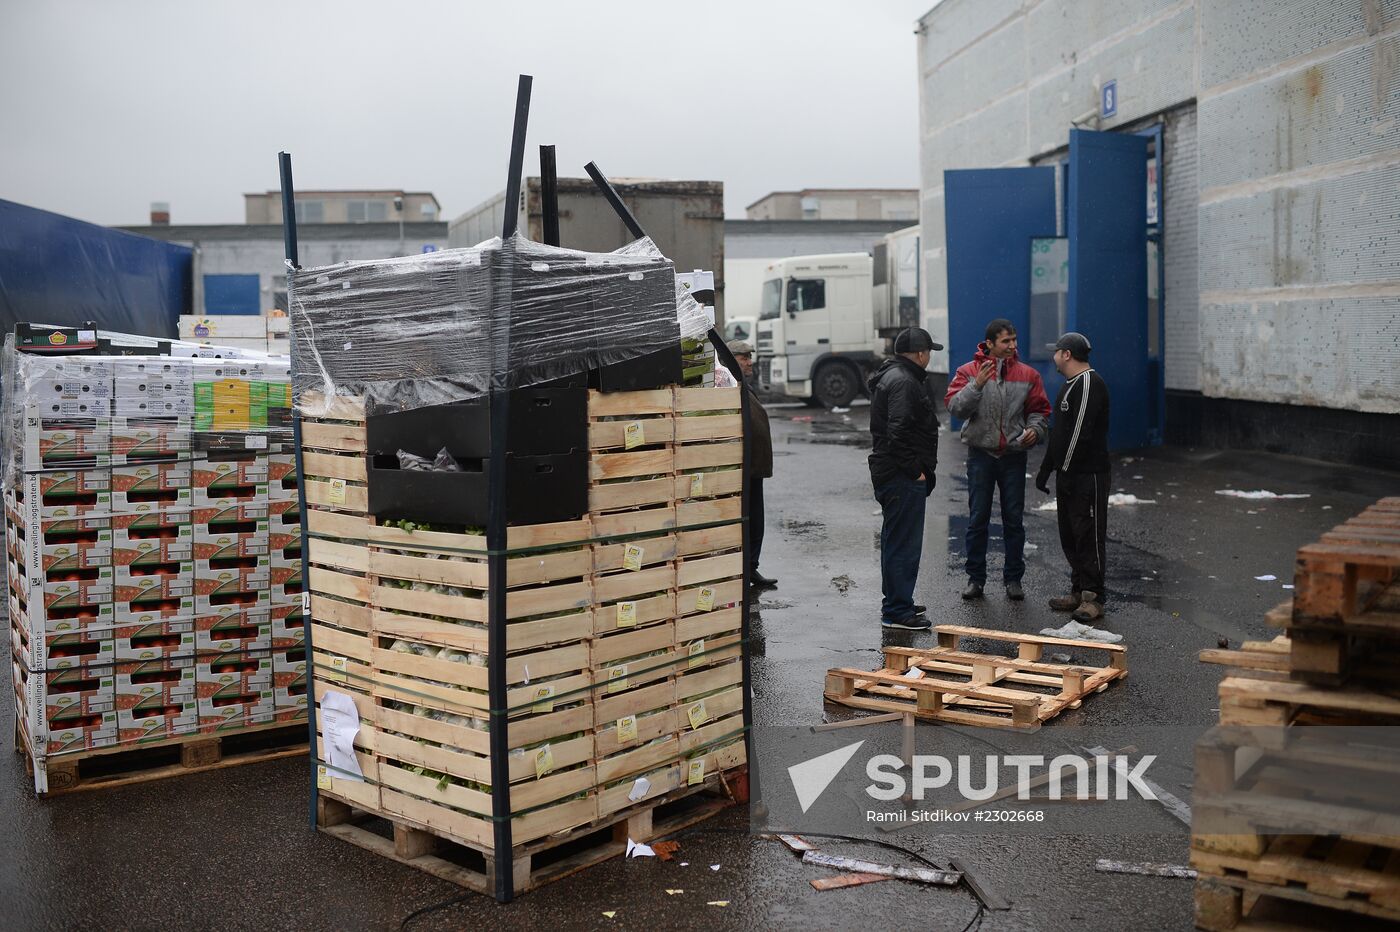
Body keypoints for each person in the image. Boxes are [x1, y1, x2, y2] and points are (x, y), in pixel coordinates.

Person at [944, 319, 1050, 602]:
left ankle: (1013, 580)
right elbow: (955, 408)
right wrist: (976, 385)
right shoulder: (967, 371)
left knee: (1013, 520)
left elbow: (1039, 411)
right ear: (989, 343)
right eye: (1006, 341)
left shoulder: (1029, 375)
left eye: (1014, 340)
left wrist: (1035, 430)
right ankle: (975, 580)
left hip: (1013, 457)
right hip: (981, 456)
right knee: (978, 519)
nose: (1013, 346)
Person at [868, 327, 942, 630]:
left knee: (895, 541)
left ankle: (898, 601)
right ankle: (898, 610)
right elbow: (897, 433)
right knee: (903, 544)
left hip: (892, 472)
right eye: (929, 353)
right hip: (900, 475)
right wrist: (916, 471)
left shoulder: (894, 375)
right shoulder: (904, 382)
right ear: (921, 354)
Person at [1035, 332, 1111, 623]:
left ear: (1066, 354)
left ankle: (1094, 597)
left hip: (1087, 475)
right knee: (1070, 534)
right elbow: (1060, 434)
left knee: (1088, 534)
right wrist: (1046, 468)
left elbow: (1080, 433)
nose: (1053, 356)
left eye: (1056, 351)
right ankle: (1078, 590)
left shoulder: (1090, 383)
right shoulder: (1069, 385)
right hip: (1069, 474)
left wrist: (1063, 468)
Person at [726, 340, 775, 589]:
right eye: (744, 357)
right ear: (731, 358)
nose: (750, 361)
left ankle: (752, 568)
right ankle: (744, 570)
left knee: (757, 521)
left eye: (749, 356)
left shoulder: (745, 385)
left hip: (755, 468)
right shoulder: (727, 383)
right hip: (744, 468)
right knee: (747, 520)